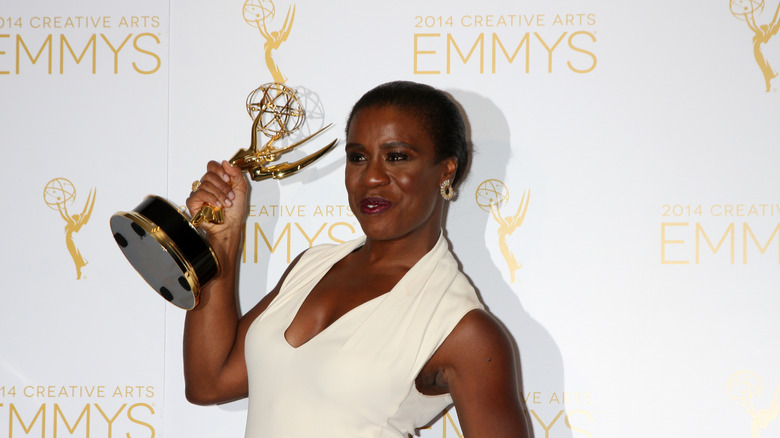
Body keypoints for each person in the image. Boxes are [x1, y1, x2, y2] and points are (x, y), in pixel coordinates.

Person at [183, 81, 530, 437]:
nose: (372, 177)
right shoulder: (312, 266)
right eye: (358, 157)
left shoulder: (462, 328)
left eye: (397, 156)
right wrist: (221, 240)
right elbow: (209, 381)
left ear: (446, 170)